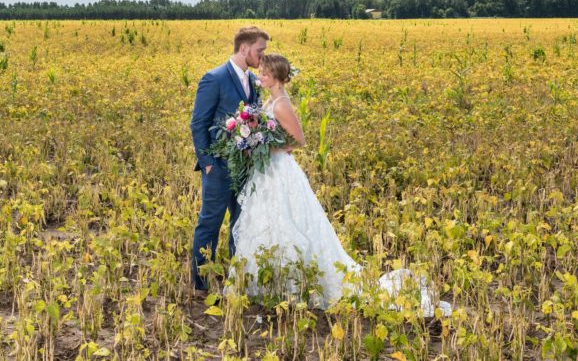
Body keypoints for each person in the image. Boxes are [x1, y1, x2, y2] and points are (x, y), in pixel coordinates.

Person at [232, 53, 453, 317]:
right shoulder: (270, 99)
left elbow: (298, 140)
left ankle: (291, 283)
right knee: (267, 221)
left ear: (277, 77)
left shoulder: (281, 104)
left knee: (288, 221)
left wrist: (272, 149)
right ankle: (269, 282)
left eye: (265, 74)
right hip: (268, 171)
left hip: (280, 170)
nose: (260, 76)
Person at [190, 26, 269, 293]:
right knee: (210, 222)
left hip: (244, 167)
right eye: (260, 50)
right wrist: (208, 162)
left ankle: (236, 279)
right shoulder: (214, 78)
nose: (262, 56)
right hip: (218, 167)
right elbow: (198, 123)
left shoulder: (252, 81)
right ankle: (200, 283)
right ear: (244, 48)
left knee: (241, 222)